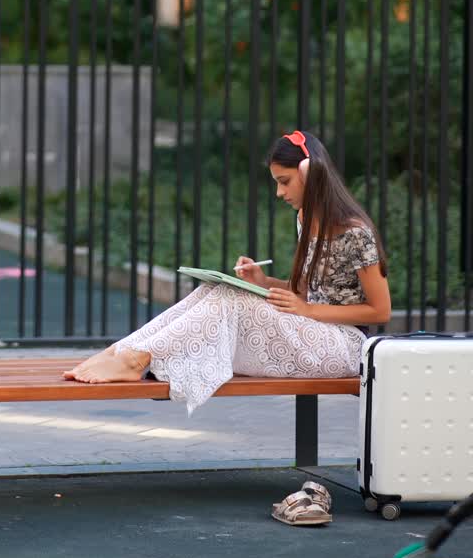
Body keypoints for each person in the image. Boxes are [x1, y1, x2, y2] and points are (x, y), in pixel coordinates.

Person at [63, 130, 392, 413]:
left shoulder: (355, 231)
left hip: (344, 346)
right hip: (312, 331)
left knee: (230, 300)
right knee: (217, 289)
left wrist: (307, 311)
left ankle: (136, 361)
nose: (279, 192)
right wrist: (264, 282)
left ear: (310, 174)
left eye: (285, 182)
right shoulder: (306, 218)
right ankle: (123, 351)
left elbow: (381, 310)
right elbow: (305, 293)